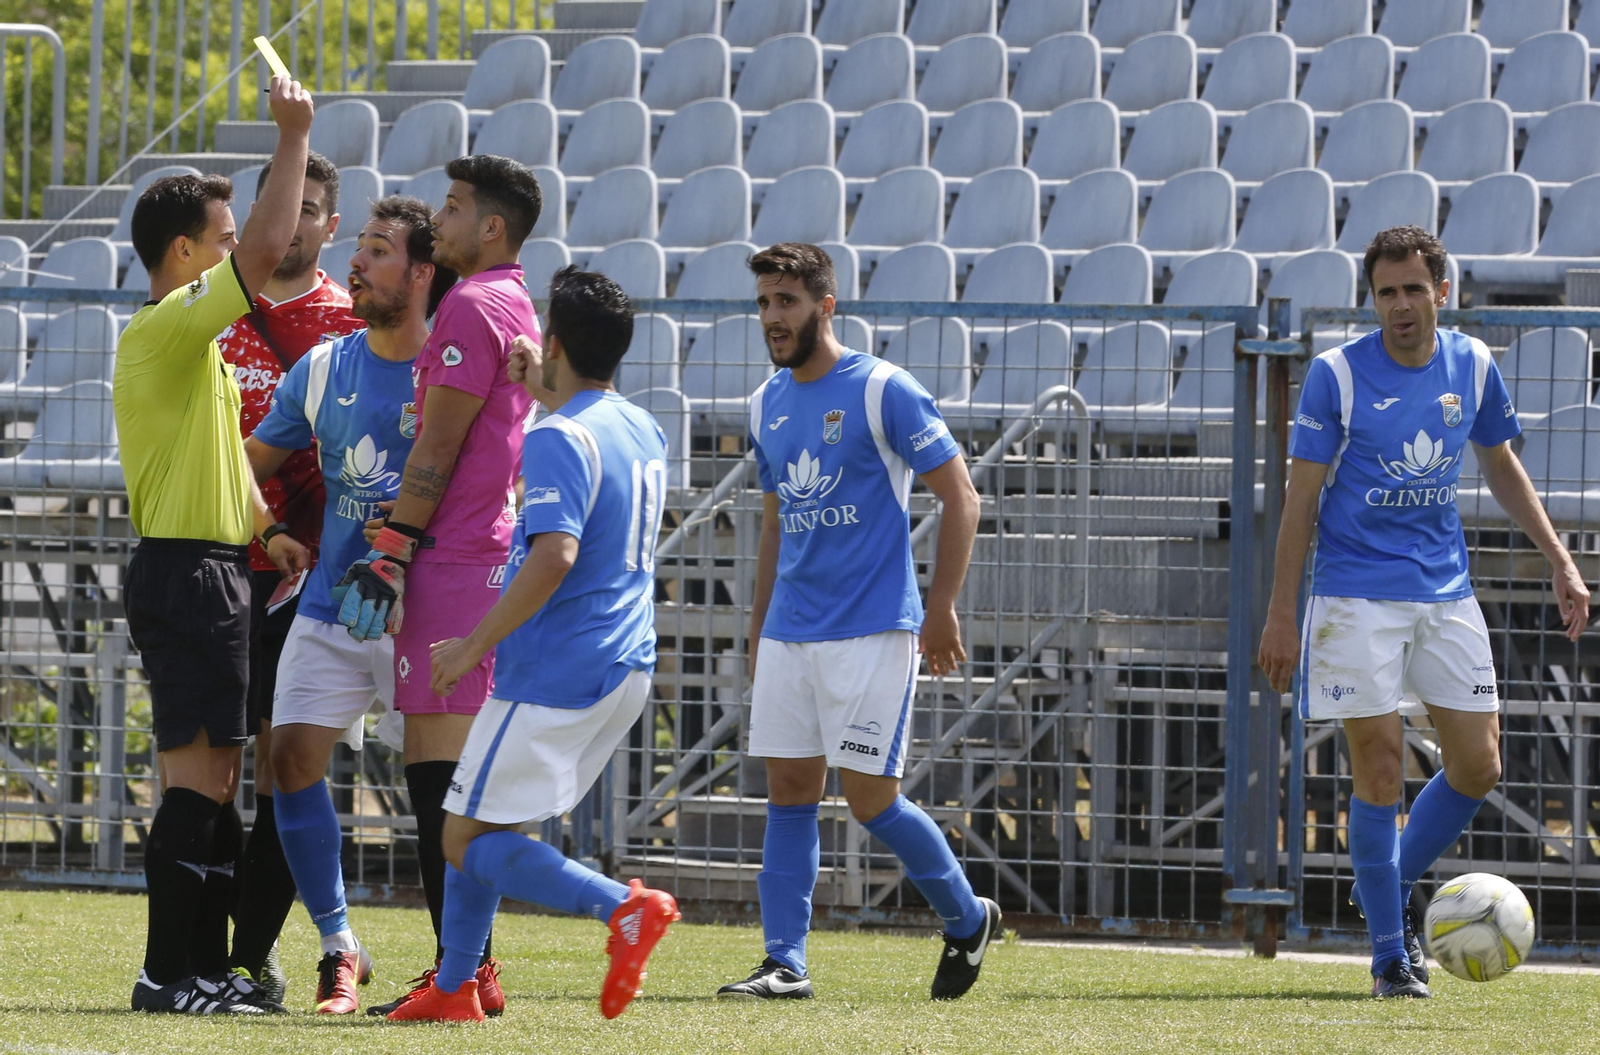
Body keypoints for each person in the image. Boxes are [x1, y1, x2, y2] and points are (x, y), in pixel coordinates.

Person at [1258, 226, 1591, 999]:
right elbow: (1300, 500)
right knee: (1378, 770)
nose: (1400, 305)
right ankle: (1389, 956)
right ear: (1371, 299)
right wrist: (1282, 614)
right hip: (1354, 595)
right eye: (1385, 292)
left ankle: (1380, 879)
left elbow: (1501, 463)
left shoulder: (1472, 365)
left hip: (1445, 592)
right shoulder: (1334, 375)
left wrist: (1560, 557)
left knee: (1479, 765)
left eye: (1413, 289)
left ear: (1444, 291)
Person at [386, 266, 680, 1023]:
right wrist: (543, 383)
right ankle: (455, 989)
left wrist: (468, 645)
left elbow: (554, 554)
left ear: (551, 341)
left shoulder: (556, 434)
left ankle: (623, 907)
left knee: (459, 837)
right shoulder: (639, 424)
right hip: (624, 662)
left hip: (556, 669)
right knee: (489, 820)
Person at [716, 243, 999, 1002]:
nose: (773, 318)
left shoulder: (883, 388)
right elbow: (775, 524)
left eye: (787, 302)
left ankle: (968, 917)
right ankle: (785, 961)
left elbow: (962, 497)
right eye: (765, 304)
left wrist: (940, 608)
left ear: (825, 305)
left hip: (874, 626)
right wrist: (759, 623)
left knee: (871, 798)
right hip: (790, 632)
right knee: (787, 792)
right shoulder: (764, 401)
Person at [113, 73, 314, 1015]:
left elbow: (226, 468)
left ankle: (198, 973)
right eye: (225, 244)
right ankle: (168, 974)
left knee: (220, 785)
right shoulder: (162, 331)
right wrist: (293, 136)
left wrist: (267, 531)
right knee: (199, 788)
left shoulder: (191, 353)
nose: (245, 255)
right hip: (184, 574)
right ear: (185, 252)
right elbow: (274, 244)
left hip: (216, 566)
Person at [333, 154, 543, 1016]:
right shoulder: (512, 299)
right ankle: (469, 969)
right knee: (448, 783)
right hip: (472, 556)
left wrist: (389, 548)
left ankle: (462, 975)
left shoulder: (468, 304)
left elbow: (437, 447)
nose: (442, 219)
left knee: (442, 785)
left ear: (490, 227)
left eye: (454, 208)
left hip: (454, 563)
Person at [242, 195, 454, 1015]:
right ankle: (340, 947)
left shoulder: (457, 370)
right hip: (332, 604)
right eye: (358, 248)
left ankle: (462, 963)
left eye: (377, 249)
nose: (357, 264)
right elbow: (247, 456)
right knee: (290, 761)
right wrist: (268, 530)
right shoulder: (326, 366)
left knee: (439, 793)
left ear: (423, 271)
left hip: (428, 612)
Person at [220, 151, 363, 1000]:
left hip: (296, 577)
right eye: (278, 206)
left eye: (307, 208)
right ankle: (204, 951)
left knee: (282, 764)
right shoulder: (208, 311)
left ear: (330, 226)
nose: (292, 221)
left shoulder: (348, 327)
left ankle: (249, 956)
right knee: (208, 770)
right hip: (211, 566)